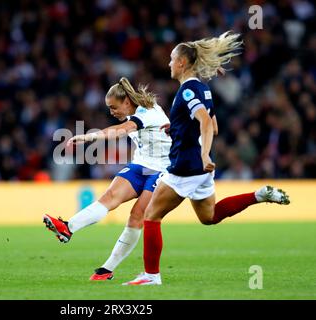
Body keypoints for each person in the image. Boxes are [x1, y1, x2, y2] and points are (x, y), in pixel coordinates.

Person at [123, 31, 290, 286]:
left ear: (181, 63)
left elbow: (204, 122)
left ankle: (151, 276)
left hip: (186, 165)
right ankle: (258, 196)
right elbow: (214, 126)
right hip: (201, 168)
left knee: (151, 215)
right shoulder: (203, 88)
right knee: (209, 216)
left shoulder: (189, 91)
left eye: (171, 59)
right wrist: (178, 129)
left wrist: (201, 152)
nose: (168, 63)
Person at [43, 77, 173, 281]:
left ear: (127, 102)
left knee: (137, 215)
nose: (111, 112)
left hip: (163, 170)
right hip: (140, 165)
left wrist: (88, 137)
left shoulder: (147, 113)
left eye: (114, 107)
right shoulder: (135, 113)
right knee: (110, 195)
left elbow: (121, 131)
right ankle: (68, 227)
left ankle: (107, 269)